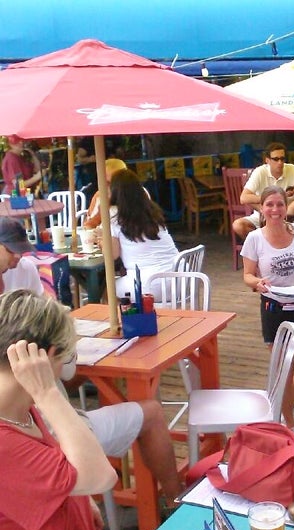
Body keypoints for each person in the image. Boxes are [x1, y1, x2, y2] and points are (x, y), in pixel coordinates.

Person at [0, 216, 184, 510]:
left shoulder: (22, 280)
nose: (18, 255)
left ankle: (123, 499)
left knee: (78, 382)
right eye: (10, 250)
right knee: (151, 413)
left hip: (42, 428)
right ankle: (176, 501)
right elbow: (98, 476)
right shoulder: (34, 400)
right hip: (59, 430)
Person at [0, 289, 117, 530]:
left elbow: (54, 466)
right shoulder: (19, 419)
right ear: (47, 356)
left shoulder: (18, 411)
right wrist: (47, 391)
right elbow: (101, 477)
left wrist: (77, 499)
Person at [241, 185, 294, 452]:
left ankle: (281, 408)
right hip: (275, 308)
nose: (275, 210)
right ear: (261, 208)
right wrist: (258, 283)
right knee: (285, 371)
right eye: (270, 205)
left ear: (286, 206)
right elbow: (247, 276)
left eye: (279, 204)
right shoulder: (254, 238)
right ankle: (291, 426)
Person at [108, 169, 178, 298]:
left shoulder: (114, 213)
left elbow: (112, 254)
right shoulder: (151, 209)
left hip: (148, 285)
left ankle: (122, 318)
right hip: (181, 280)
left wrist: (103, 241)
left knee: (108, 289)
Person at [233, 142, 294, 241]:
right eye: (276, 159)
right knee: (238, 226)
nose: (280, 162)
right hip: (263, 216)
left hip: (288, 215)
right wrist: (267, 199)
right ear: (267, 160)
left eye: (282, 159)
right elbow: (244, 198)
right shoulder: (260, 172)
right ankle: (263, 244)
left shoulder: (292, 169)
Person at [82, 157, 127, 230]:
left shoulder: (139, 194)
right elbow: (89, 225)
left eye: (110, 182)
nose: (106, 186)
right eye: (103, 181)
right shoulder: (100, 196)